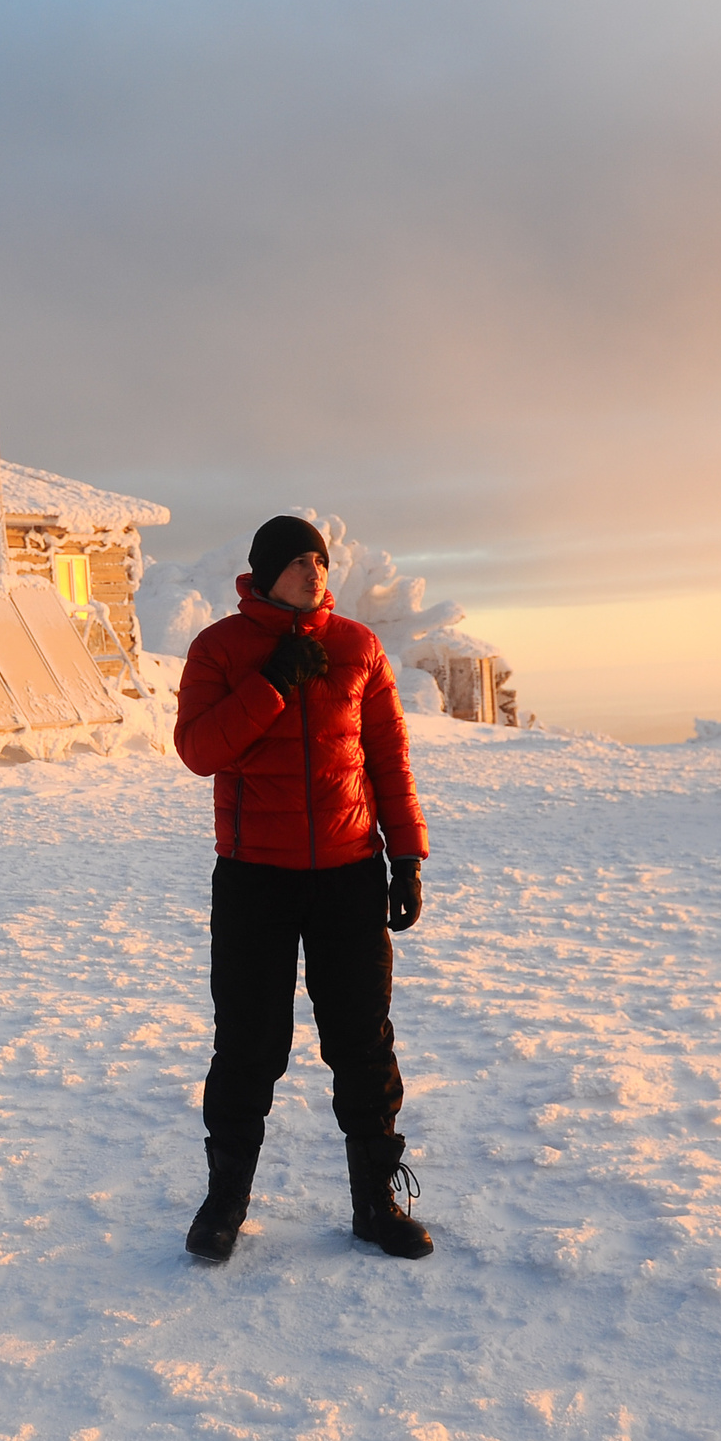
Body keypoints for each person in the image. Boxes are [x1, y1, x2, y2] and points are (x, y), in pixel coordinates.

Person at [172, 514, 433, 1262]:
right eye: (298, 561)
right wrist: (272, 683)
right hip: (254, 876)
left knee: (362, 1041)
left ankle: (376, 1202)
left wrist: (406, 856)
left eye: (321, 559)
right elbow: (198, 749)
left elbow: (388, 757)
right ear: (264, 573)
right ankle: (225, 1201)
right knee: (248, 1044)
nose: (315, 571)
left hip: (350, 874)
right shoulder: (220, 647)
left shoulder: (357, 646)